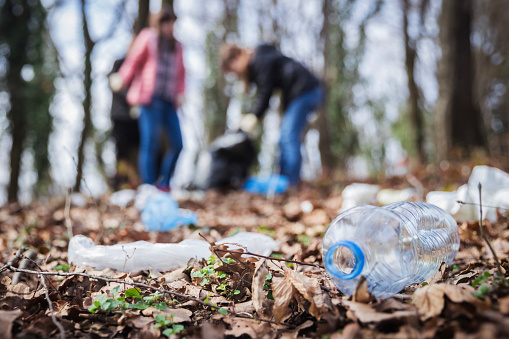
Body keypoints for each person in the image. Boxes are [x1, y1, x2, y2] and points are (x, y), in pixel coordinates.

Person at [220, 43, 323, 186]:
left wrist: (253, 115)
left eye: (233, 69)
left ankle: (291, 183)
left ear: (237, 57)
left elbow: (265, 92)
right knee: (284, 137)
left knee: (289, 136)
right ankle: (283, 181)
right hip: (299, 93)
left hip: (305, 90)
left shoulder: (259, 60)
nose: (235, 74)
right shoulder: (260, 60)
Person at [109, 8, 185, 192]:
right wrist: (122, 78)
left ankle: (164, 183)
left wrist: (181, 92)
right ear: (158, 23)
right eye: (165, 22)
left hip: (169, 101)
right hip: (149, 99)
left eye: (172, 22)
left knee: (178, 143)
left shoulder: (177, 46)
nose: (169, 27)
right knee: (150, 142)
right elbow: (133, 61)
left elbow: (182, 73)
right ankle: (149, 185)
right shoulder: (148, 38)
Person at [108, 57, 140, 190]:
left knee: (136, 154)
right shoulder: (119, 63)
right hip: (121, 117)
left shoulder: (143, 66)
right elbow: (114, 84)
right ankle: (121, 184)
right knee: (122, 153)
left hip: (137, 120)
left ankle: (134, 184)